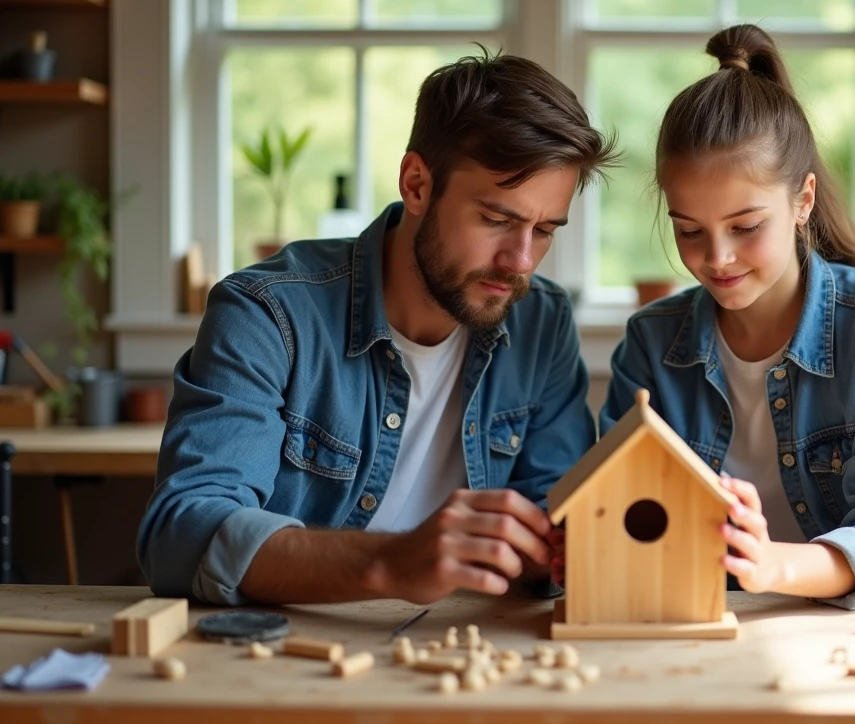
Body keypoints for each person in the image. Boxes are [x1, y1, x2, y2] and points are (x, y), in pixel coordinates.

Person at [138, 50, 619, 606]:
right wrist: (390, 563)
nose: (521, 261)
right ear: (416, 183)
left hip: (465, 654)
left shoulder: (542, 321)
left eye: (544, 230)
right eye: (496, 220)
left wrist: (562, 547)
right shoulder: (267, 313)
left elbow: (557, 531)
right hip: (290, 658)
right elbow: (181, 533)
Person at [596, 24, 855, 609]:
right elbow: (620, 517)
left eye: (745, 227)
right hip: (714, 617)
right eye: (689, 230)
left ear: (803, 200)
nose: (716, 258)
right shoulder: (650, 341)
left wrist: (770, 565)